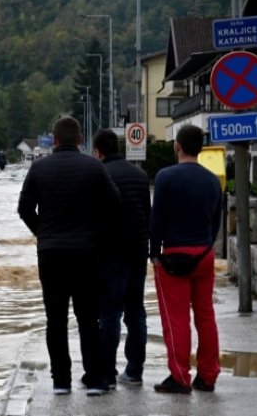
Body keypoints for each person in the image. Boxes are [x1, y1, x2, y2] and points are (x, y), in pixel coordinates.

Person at [18, 116, 120, 397]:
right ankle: (97, 380)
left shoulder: (39, 168)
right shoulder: (94, 168)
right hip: (87, 253)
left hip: (50, 254)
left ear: (54, 140)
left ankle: (61, 380)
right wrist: (95, 231)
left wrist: (43, 232)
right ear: (79, 141)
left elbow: (24, 208)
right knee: (88, 318)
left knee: (56, 319)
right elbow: (114, 204)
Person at [149, 124, 222, 394]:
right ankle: (208, 376)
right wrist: (206, 245)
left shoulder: (166, 177)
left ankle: (180, 377)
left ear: (177, 146)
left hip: (173, 256)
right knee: (206, 316)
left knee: (176, 319)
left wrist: (154, 253)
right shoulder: (213, 180)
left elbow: (156, 220)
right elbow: (217, 222)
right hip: (204, 254)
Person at [92, 129, 150, 388]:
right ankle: (135, 370)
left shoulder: (99, 175)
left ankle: (107, 373)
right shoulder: (140, 175)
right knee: (136, 313)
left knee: (109, 315)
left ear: (98, 152)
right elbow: (147, 215)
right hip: (137, 252)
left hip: (109, 254)